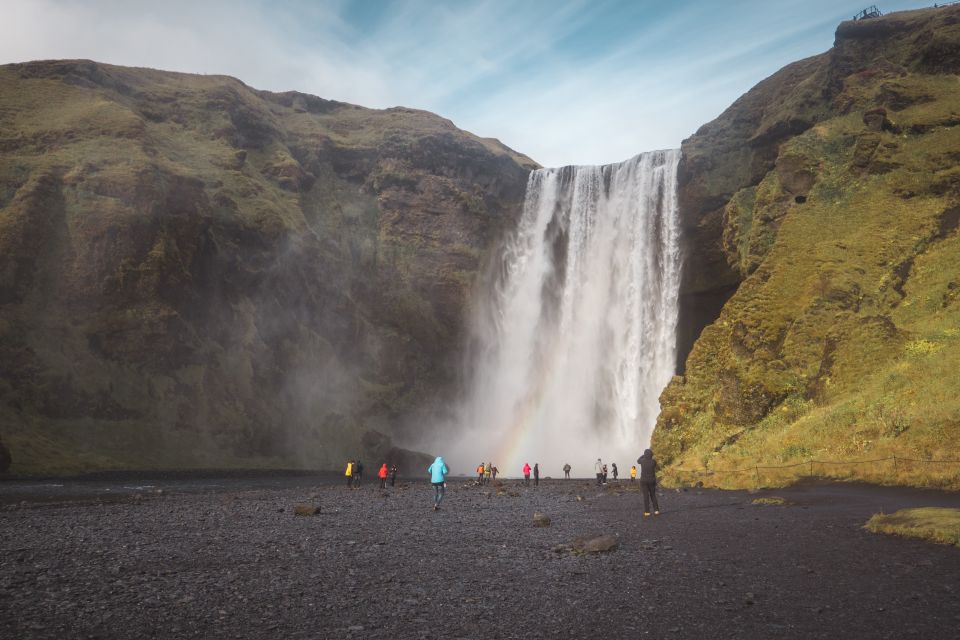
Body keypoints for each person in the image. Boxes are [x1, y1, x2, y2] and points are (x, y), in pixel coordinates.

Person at [637, 449, 660, 516]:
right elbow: (657, 467)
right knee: (653, 495)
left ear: (645, 454)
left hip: (644, 480)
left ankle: (647, 512)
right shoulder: (653, 462)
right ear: (651, 454)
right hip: (652, 480)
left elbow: (638, 460)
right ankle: (656, 510)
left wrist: (643, 455)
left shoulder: (642, 461)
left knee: (646, 496)